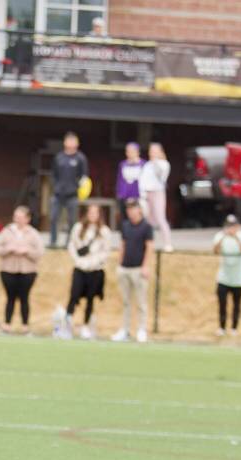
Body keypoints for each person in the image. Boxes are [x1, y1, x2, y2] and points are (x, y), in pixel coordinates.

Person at [63, 204, 111, 339]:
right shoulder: (78, 228)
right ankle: (68, 323)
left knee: (90, 299)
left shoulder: (104, 231)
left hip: (95, 269)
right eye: (90, 212)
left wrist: (94, 262)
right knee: (74, 295)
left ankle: (85, 326)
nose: (92, 215)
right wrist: (78, 260)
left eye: (95, 213)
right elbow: (72, 245)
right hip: (80, 267)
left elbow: (105, 251)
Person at [0, 205, 43, 332]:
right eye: (16, 217)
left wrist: (27, 251)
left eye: (20, 217)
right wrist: (8, 249)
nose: (17, 220)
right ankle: (7, 324)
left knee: (24, 298)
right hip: (8, 270)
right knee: (10, 298)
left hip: (28, 271)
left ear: (27, 219)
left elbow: (39, 252)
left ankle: (25, 326)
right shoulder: (7, 230)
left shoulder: (33, 233)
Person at [112, 199, 155, 343]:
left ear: (140, 210)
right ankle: (125, 329)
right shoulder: (125, 226)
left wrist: (145, 266)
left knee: (141, 302)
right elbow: (123, 245)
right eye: (128, 209)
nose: (130, 211)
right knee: (126, 302)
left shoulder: (146, 227)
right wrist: (119, 263)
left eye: (133, 208)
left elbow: (149, 247)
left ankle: (141, 329)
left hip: (139, 269)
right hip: (125, 268)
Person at [213, 214, 241, 336]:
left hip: (239, 278)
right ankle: (222, 327)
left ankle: (234, 328)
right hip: (223, 277)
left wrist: (235, 237)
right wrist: (224, 237)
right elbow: (215, 250)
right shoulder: (220, 236)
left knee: (237, 304)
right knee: (222, 304)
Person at [49, 131, 88, 248]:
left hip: (73, 195)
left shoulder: (80, 158)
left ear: (77, 143)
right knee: (53, 218)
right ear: (65, 142)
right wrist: (55, 186)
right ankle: (53, 242)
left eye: (73, 141)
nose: (71, 143)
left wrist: (79, 189)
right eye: (69, 140)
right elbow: (53, 174)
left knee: (72, 221)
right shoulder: (59, 157)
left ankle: (69, 243)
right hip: (57, 194)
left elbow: (84, 176)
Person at [139, 142, 172, 252]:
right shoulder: (147, 165)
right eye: (151, 151)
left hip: (157, 192)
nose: (152, 153)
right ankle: (148, 243)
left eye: (155, 151)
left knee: (160, 218)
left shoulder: (164, 164)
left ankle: (168, 243)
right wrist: (142, 194)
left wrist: (156, 162)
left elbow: (161, 177)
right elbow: (142, 180)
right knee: (148, 220)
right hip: (147, 194)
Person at [115, 142, 144, 223]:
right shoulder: (123, 164)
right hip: (125, 195)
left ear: (137, 152)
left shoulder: (143, 164)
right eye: (127, 151)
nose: (129, 153)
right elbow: (120, 180)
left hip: (139, 195)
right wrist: (119, 193)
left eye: (132, 151)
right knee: (125, 218)